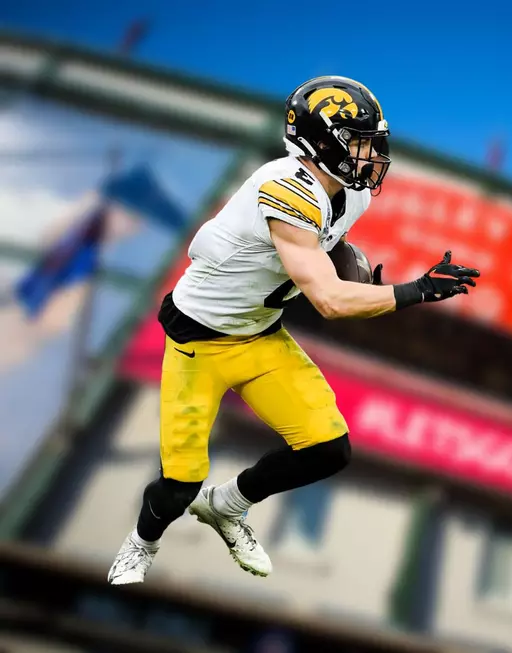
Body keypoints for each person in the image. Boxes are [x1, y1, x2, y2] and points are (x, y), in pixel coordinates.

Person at [108, 76, 480, 585]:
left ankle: (227, 505)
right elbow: (328, 300)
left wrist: (355, 272)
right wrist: (414, 290)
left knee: (328, 448)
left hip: (260, 336)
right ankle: (140, 544)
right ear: (319, 142)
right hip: (198, 343)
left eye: (374, 140)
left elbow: (330, 251)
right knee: (179, 483)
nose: (371, 153)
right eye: (358, 139)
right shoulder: (285, 191)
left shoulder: (349, 194)